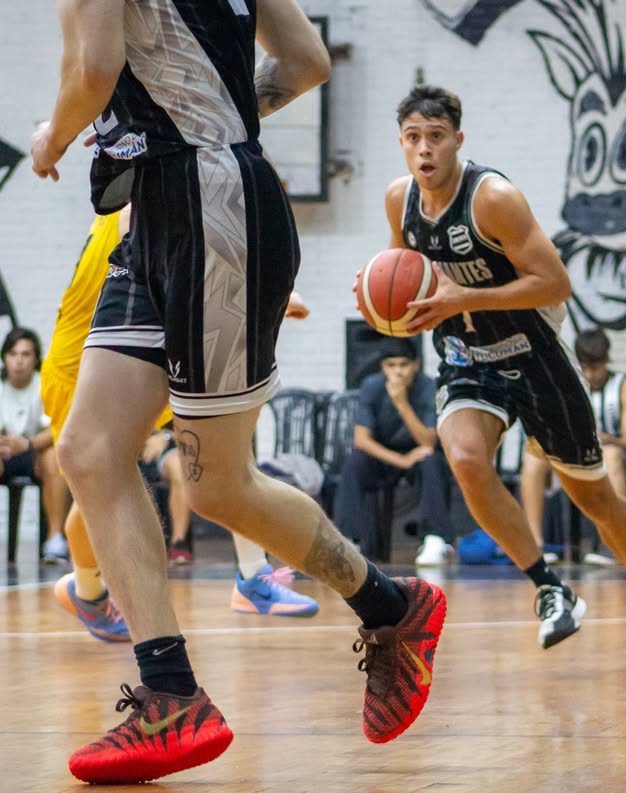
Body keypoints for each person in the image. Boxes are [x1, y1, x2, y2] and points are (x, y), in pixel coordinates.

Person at [31, 2, 444, 783]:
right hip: (162, 212)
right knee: (89, 450)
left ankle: (394, 607)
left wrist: (51, 137)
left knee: (217, 484)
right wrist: (208, 107)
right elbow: (306, 63)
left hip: (208, 208)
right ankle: (170, 691)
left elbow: (90, 74)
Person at [377, 84, 626, 666]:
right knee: (465, 459)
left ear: (458, 140)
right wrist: (387, 310)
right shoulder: (399, 201)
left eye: (435, 137)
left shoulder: (493, 198)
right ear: (402, 144)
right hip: (467, 355)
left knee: (594, 498)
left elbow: (556, 284)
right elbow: (404, 277)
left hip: (534, 353)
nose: (424, 150)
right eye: (413, 139)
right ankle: (549, 586)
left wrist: (467, 293)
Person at [45, 211, 318, 643]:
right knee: (100, 487)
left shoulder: (168, 190)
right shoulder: (140, 202)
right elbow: (172, 271)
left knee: (227, 438)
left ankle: (252, 576)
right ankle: (87, 589)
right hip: (82, 364)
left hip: (142, 345)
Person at [519, 327, 626, 565]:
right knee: (533, 457)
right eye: (586, 367)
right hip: (573, 450)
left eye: (596, 367)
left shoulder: (624, 386)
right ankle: (536, 544)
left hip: (611, 453)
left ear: (607, 361)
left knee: (613, 455)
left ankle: (613, 545)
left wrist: (606, 439)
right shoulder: (567, 384)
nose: (591, 374)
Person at [332, 340, 456, 566]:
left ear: (416, 365)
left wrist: (401, 404)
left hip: (418, 454)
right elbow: (362, 440)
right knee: (354, 463)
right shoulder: (372, 386)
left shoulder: (429, 387)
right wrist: (400, 460)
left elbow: (428, 441)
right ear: (383, 367)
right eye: (391, 365)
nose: (397, 371)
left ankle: (434, 539)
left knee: (432, 461)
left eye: (404, 364)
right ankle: (349, 540)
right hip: (386, 454)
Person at [0, 327, 70, 563]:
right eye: (13, 354)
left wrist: (27, 444)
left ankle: (55, 539)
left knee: (54, 456)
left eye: (25, 354)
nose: (18, 361)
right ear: (4, 358)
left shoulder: (45, 384)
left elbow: (57, 427)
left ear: (35, 358)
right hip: (3, 453)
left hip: (34, 453)